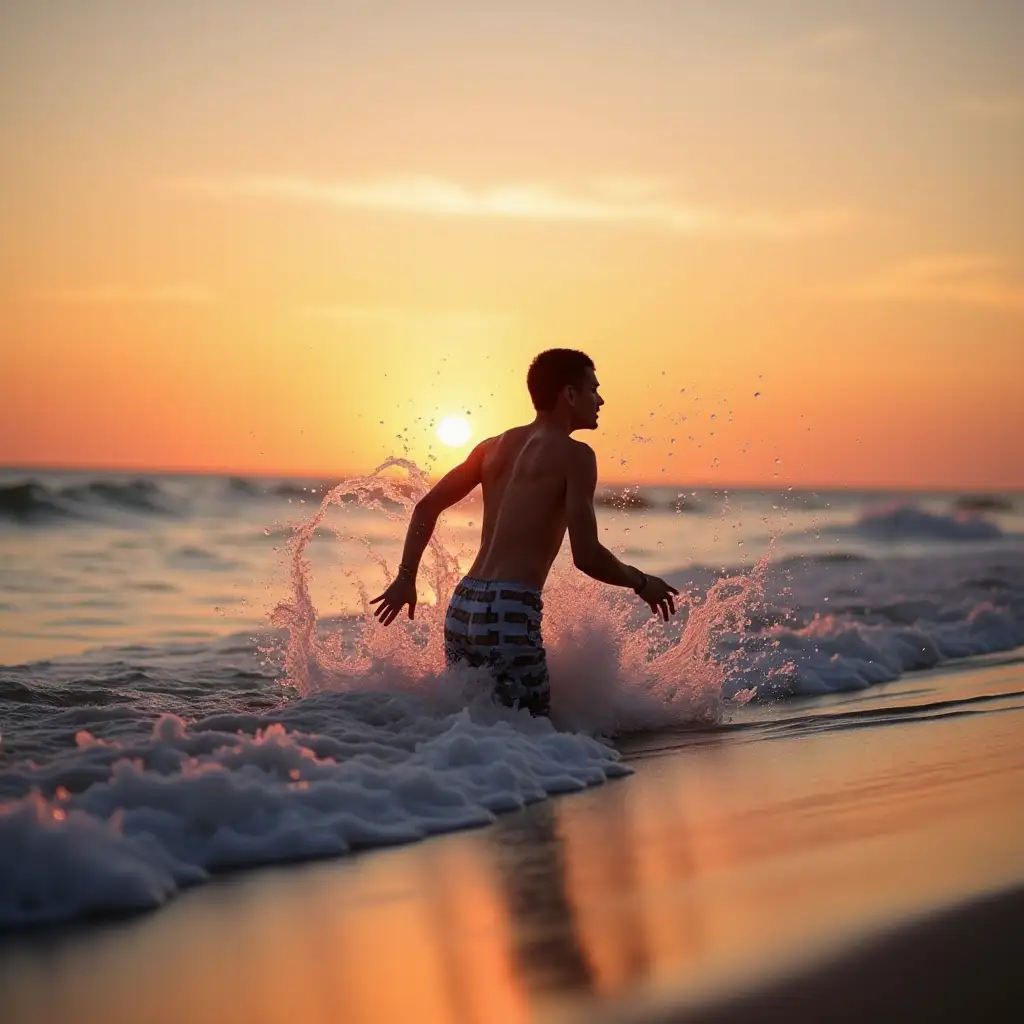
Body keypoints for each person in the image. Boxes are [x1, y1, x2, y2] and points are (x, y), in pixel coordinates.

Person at [370, 348, 679, 715]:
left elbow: (426, 507)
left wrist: (407, 578)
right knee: (531, 735)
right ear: (569, 394)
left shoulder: (491, 447)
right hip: (510, 607)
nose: (600, 399)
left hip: (463, 605)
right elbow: (587, 556)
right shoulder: (575, 456)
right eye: (593, 388)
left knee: (471, 730)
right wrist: (641, 583)